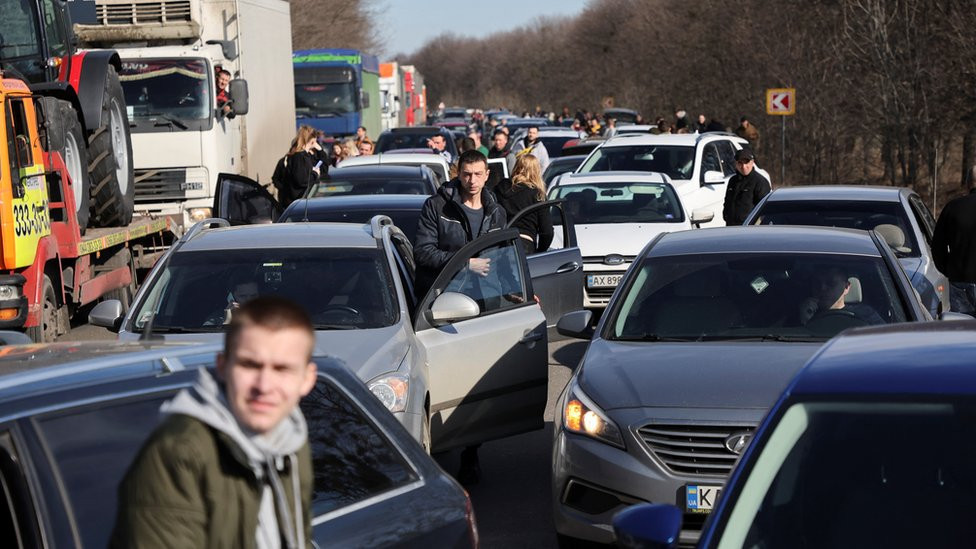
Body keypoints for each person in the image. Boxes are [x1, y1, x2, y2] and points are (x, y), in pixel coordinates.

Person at [111, 297, 317, 548]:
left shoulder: (289, 441)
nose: (264, 386)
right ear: (222, 366)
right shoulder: (178, 454)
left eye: (282, 369)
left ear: (307, 379)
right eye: (250, 365)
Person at [415, 150, 507, 485]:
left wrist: (518, 294)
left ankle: (471, 454)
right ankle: (436, 446)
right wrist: (463, 262)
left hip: (485, 306)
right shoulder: (437, 207)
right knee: (445, 379)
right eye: (466, 174)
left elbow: (504, 258)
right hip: (442, 306)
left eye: (478, 174)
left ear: (487, 175)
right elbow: (422, 252)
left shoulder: (496, 210)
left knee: (478, 382)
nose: (472, 181)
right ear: (458, 173)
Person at [932, 176, 976, 316]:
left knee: (962, 330)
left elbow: (937, 246)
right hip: (959, 278)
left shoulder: (953, 207)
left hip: (960, 279)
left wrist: (949, 270)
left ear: (968, 184)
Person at [495, 154, 554, 255]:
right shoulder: (538, 195)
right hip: (525, 245)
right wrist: (540, 251)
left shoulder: (500, 188)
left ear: (516, 167)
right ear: (536, 171)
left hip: (501, 244)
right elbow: (547, 231)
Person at [272, 126, 326, 209]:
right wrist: (315, 173)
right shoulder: (299, 157)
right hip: (299, 201)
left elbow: (324, 166)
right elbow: (301, 180)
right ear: (312, 140)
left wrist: (320, 151)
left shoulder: (305, 156)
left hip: (304, 200)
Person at [723, 148, 770, 226]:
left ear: (752, 162)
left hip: (749, 229)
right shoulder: (732, 181)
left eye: (746, 162)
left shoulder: (760, 181)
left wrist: (755, 225)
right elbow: (727, 202)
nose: (743, 166)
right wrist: (726, 215)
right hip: (731, 227)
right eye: (740, 163)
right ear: (736, 164)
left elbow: (764, 209)